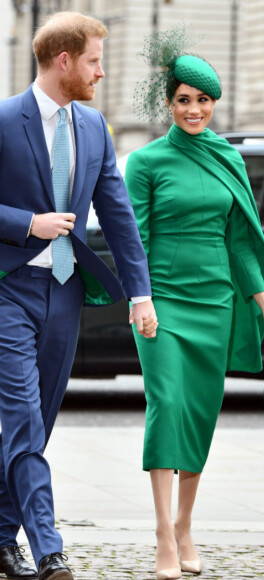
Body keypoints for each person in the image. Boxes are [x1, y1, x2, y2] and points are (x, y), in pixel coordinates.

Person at [0, 12, 157, 580]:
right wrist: (28, 223)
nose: (102, 71)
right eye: (94, 60)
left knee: (36, 424)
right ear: (63, 61)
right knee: (21, 417)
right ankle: (48, 550)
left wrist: (140, 293)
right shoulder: (2, 120)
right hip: (8, 290)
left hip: (65, 292)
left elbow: (119, 219)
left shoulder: (94, 128)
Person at [126, 32, 264, 580]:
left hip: (215, 303)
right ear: (168, 102)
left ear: (214, 104)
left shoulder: (226, 156)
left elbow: (239, 240)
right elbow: (133, 236)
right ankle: (164, 533)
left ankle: (186, 523)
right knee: (166, 407)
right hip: (161, 305)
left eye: (203, 100)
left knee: (200, 418)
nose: (193, 110)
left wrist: (261, 301)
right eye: (183, 100)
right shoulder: (145, 162)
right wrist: (141, 300)